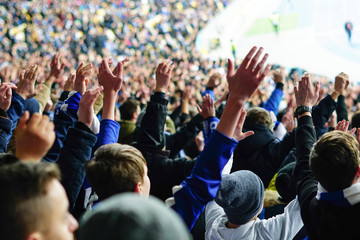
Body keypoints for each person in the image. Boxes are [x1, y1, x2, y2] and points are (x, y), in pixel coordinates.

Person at [294, 73, 360, 239]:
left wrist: (304, 111)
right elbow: (305, 157)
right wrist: (304, 110)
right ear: (358, 171)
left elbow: (303, 159)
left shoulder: (313, 207)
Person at [205, 170, 303, 240]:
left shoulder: (213, 220)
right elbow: (301, 207)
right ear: (257, 207)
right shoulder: (264, 234)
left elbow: (219, 184)